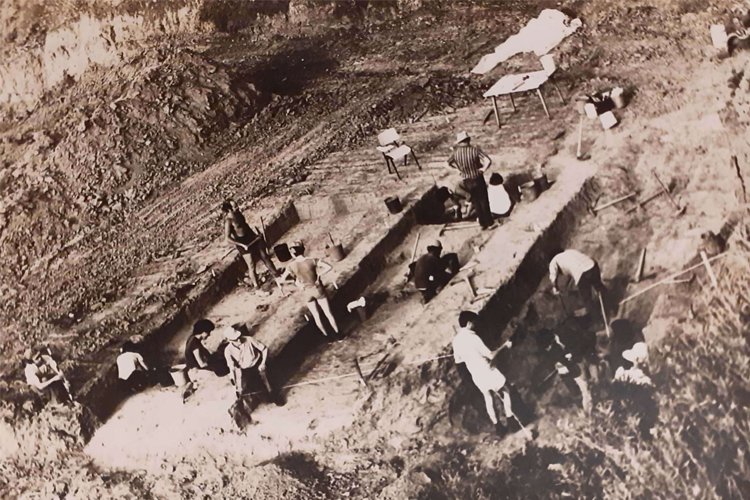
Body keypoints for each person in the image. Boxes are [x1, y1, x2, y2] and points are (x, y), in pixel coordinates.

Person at [452, 311, 514, 431]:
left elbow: (459, 361)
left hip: (476, 374)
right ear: (469, 323)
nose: (475, 325)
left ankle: (499, 427)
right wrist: (505, 345)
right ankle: (511, 420)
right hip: (487, 369)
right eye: (474, 323)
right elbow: (490, 355)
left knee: (488, 397)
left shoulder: (456, 341)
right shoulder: (473, 337)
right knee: (506, 389)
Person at [276, 241, 340, 338]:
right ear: (303, 250)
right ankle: (339, 334)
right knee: (328, 313)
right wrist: (319, 275)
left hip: (306, 292)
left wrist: (296, 282)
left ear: (293, 253)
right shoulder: (312, 260)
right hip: (317, 288)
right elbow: (328, 267)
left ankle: (327, 337)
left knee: (316, 316)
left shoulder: (291, 266)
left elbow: (282, 280)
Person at [222, 200, 280, 289]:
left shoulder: (239, 214)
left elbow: (245, 226)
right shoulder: (228, 221)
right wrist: (241, 245)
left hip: (251, 237)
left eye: (236, 205)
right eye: (234, 206)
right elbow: (227, 238)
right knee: (251, 265)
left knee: (265, 256)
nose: (237, 207)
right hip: (242, 243)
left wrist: (255, 235)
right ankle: (257, 288)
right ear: (229, 210)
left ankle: (278, 276)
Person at [536, 329, 592, 413]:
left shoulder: (556, 347)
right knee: (577, 390)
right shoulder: (553, 349)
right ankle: (581, 405)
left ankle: (583, 405)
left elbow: (566, 354)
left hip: (571, 369)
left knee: (580, 389)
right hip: (568, 370)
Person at [446, 132, 494, 229]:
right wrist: (483, 169)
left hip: (467, 180)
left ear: (459, 142)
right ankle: (489, 223)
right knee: (484, 200)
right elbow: (488, 160)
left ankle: (482, 224)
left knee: (476, 202)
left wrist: (457, 170)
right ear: (468, 140)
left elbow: (446, 164)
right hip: (477, 177)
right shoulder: (474, 150)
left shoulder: (456, 153)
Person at [223, 326, 278, 404]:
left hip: (258, 363)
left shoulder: (249, 339)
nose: (239, 340)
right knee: (255, 387)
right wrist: (235, 387)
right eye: (235, 339)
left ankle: (275, 396)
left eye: (239, 337)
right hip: (246, 369)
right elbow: (232, 369)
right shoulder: (228, 351)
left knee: (268, 380)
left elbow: (264, 349)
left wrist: (263, 363)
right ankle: (266, 398)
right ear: (229, 340)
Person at [411, 239, 460, 303]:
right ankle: (433, 291)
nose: (440, 252)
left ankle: (428, 293)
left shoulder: (423, 257)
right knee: (446, 276)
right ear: (436, 250)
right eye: (439, 250)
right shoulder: (433, 259)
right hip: (428, 285)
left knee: (434, 275)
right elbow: (441, 270)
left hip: (419, 286)